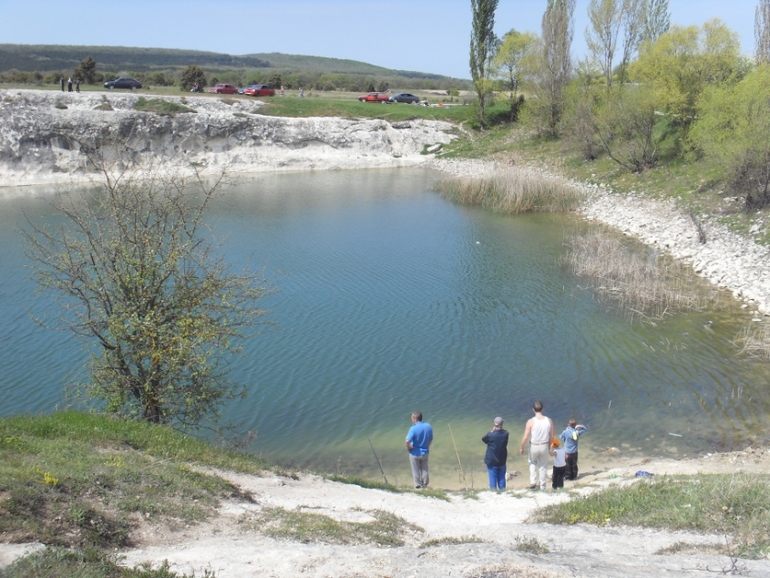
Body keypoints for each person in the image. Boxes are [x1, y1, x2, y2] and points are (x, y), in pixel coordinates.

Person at [519, 401, 554, 490]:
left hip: (534, 445)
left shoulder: (530, 421)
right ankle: (542, 485)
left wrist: (522, 447)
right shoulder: (549, 421)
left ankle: (533, 481)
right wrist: (549, 447)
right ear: (543, 409)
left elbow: (526, 437)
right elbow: (552, 436)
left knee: (532, 462)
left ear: (533, 410)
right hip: (544, 445)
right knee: (543, 465)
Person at [405, 411, 433, 488]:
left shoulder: (413, 428)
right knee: (424, 469)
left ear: (414, 418)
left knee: (415, 469)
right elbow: (430, 440)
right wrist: (427, 447)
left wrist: (409, 447)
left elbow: (407, 441)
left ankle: (417, 485)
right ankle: (425, 484)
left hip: (415, 453)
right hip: (425, 452)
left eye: (411, 418)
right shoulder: (428, 426)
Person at [482, 416, 509, 490]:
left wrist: (491, 431)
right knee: (502, 478)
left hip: (492, 460)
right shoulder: (505, 434)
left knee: (492, 478)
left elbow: (484, 439)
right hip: (502, 460)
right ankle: (502, 491)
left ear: (494, 424)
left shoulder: (491, 435)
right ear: (502, 424)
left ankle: (493, 492)